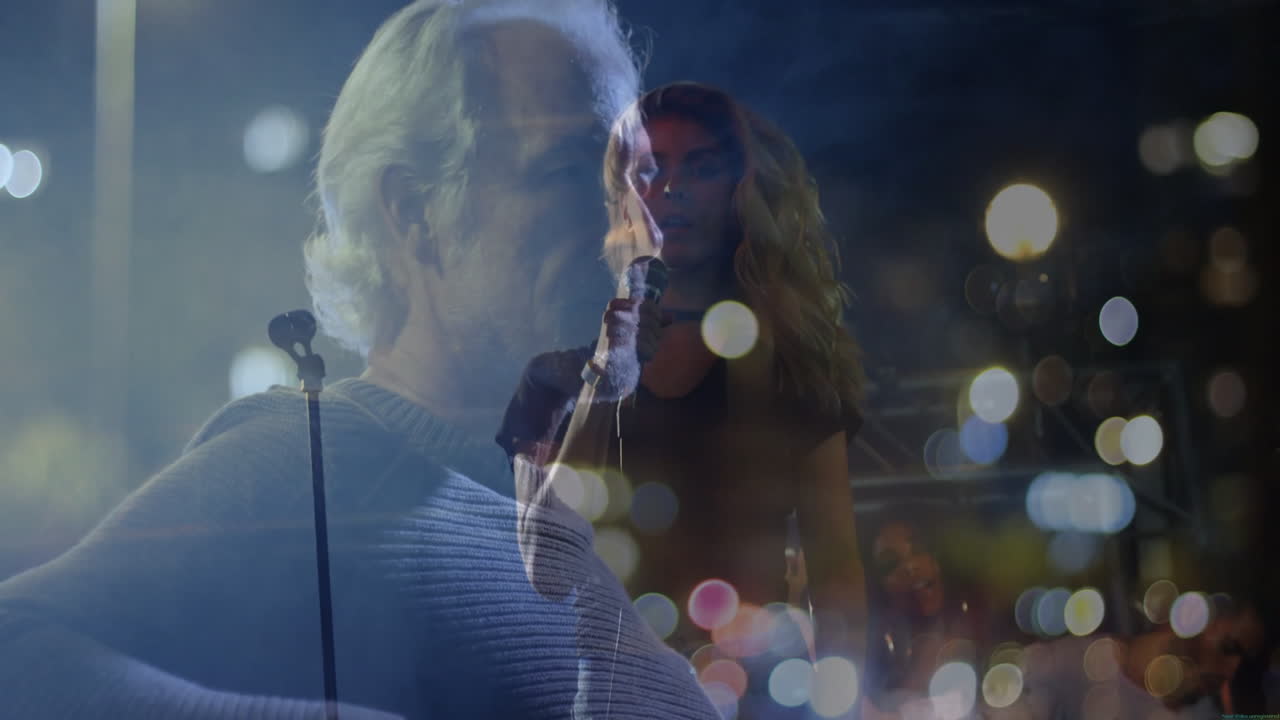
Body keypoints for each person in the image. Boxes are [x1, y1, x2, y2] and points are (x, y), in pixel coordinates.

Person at [0, 2, 719, 718]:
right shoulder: (306, 470)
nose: (643, 231)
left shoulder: (547, 539)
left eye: (639, 178)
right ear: (413, 211)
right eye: (573, 170)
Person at [504, 81, 869, 718]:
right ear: (623, 195)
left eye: (698, 167)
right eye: (649, 169)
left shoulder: (790, 367)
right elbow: (547, 569)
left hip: (746, 697)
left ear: (737, 190)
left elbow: (835, 575)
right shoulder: (551, 377)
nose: (671, 189)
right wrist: (607, 368)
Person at [861, 506, 1002, 717]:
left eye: (918, 550)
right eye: (891, 563)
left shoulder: (982, 627)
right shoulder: (873, 671)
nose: (910, 566)